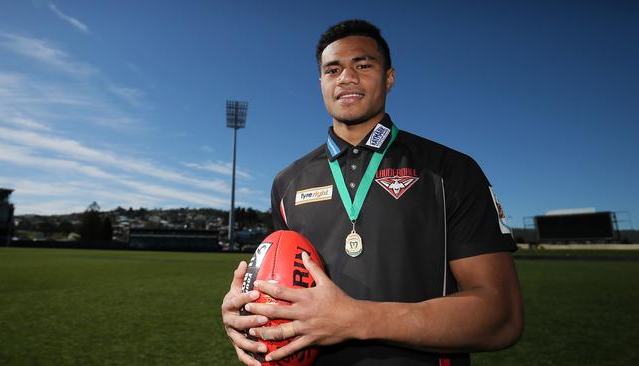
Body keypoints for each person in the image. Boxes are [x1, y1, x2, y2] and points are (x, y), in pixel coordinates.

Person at [221, 19, 523, 366]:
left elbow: (502, 316)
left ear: (389, 78)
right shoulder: (287, 183)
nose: (347, 77)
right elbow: (280, 289)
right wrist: (248, 317)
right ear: (321, 83)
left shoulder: (449, 170)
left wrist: (357, 319)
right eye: (333, 69)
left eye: (362, 65)